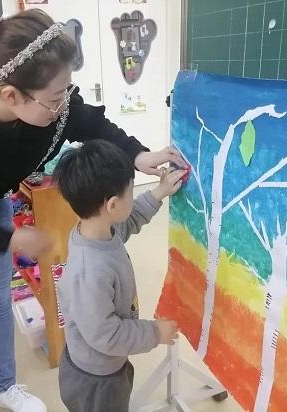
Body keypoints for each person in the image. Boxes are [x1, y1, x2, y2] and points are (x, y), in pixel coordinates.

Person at [0, 1, 185, 411]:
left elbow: (90, 122)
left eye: (66, 91)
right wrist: (4, 237)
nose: (64, 106)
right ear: (11, 94)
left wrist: (137, 154)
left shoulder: (49, 107)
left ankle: (5, 386)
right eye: (56, 97)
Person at [52, 140, 183, 412]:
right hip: (96, 378)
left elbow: (128, 221)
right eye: (131, 191)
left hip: (105, 365)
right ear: (112, 204)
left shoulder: (96, 231)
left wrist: (158, 193)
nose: (132, 196)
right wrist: (154, 332)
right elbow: (107, 335)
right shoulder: (91, 270)